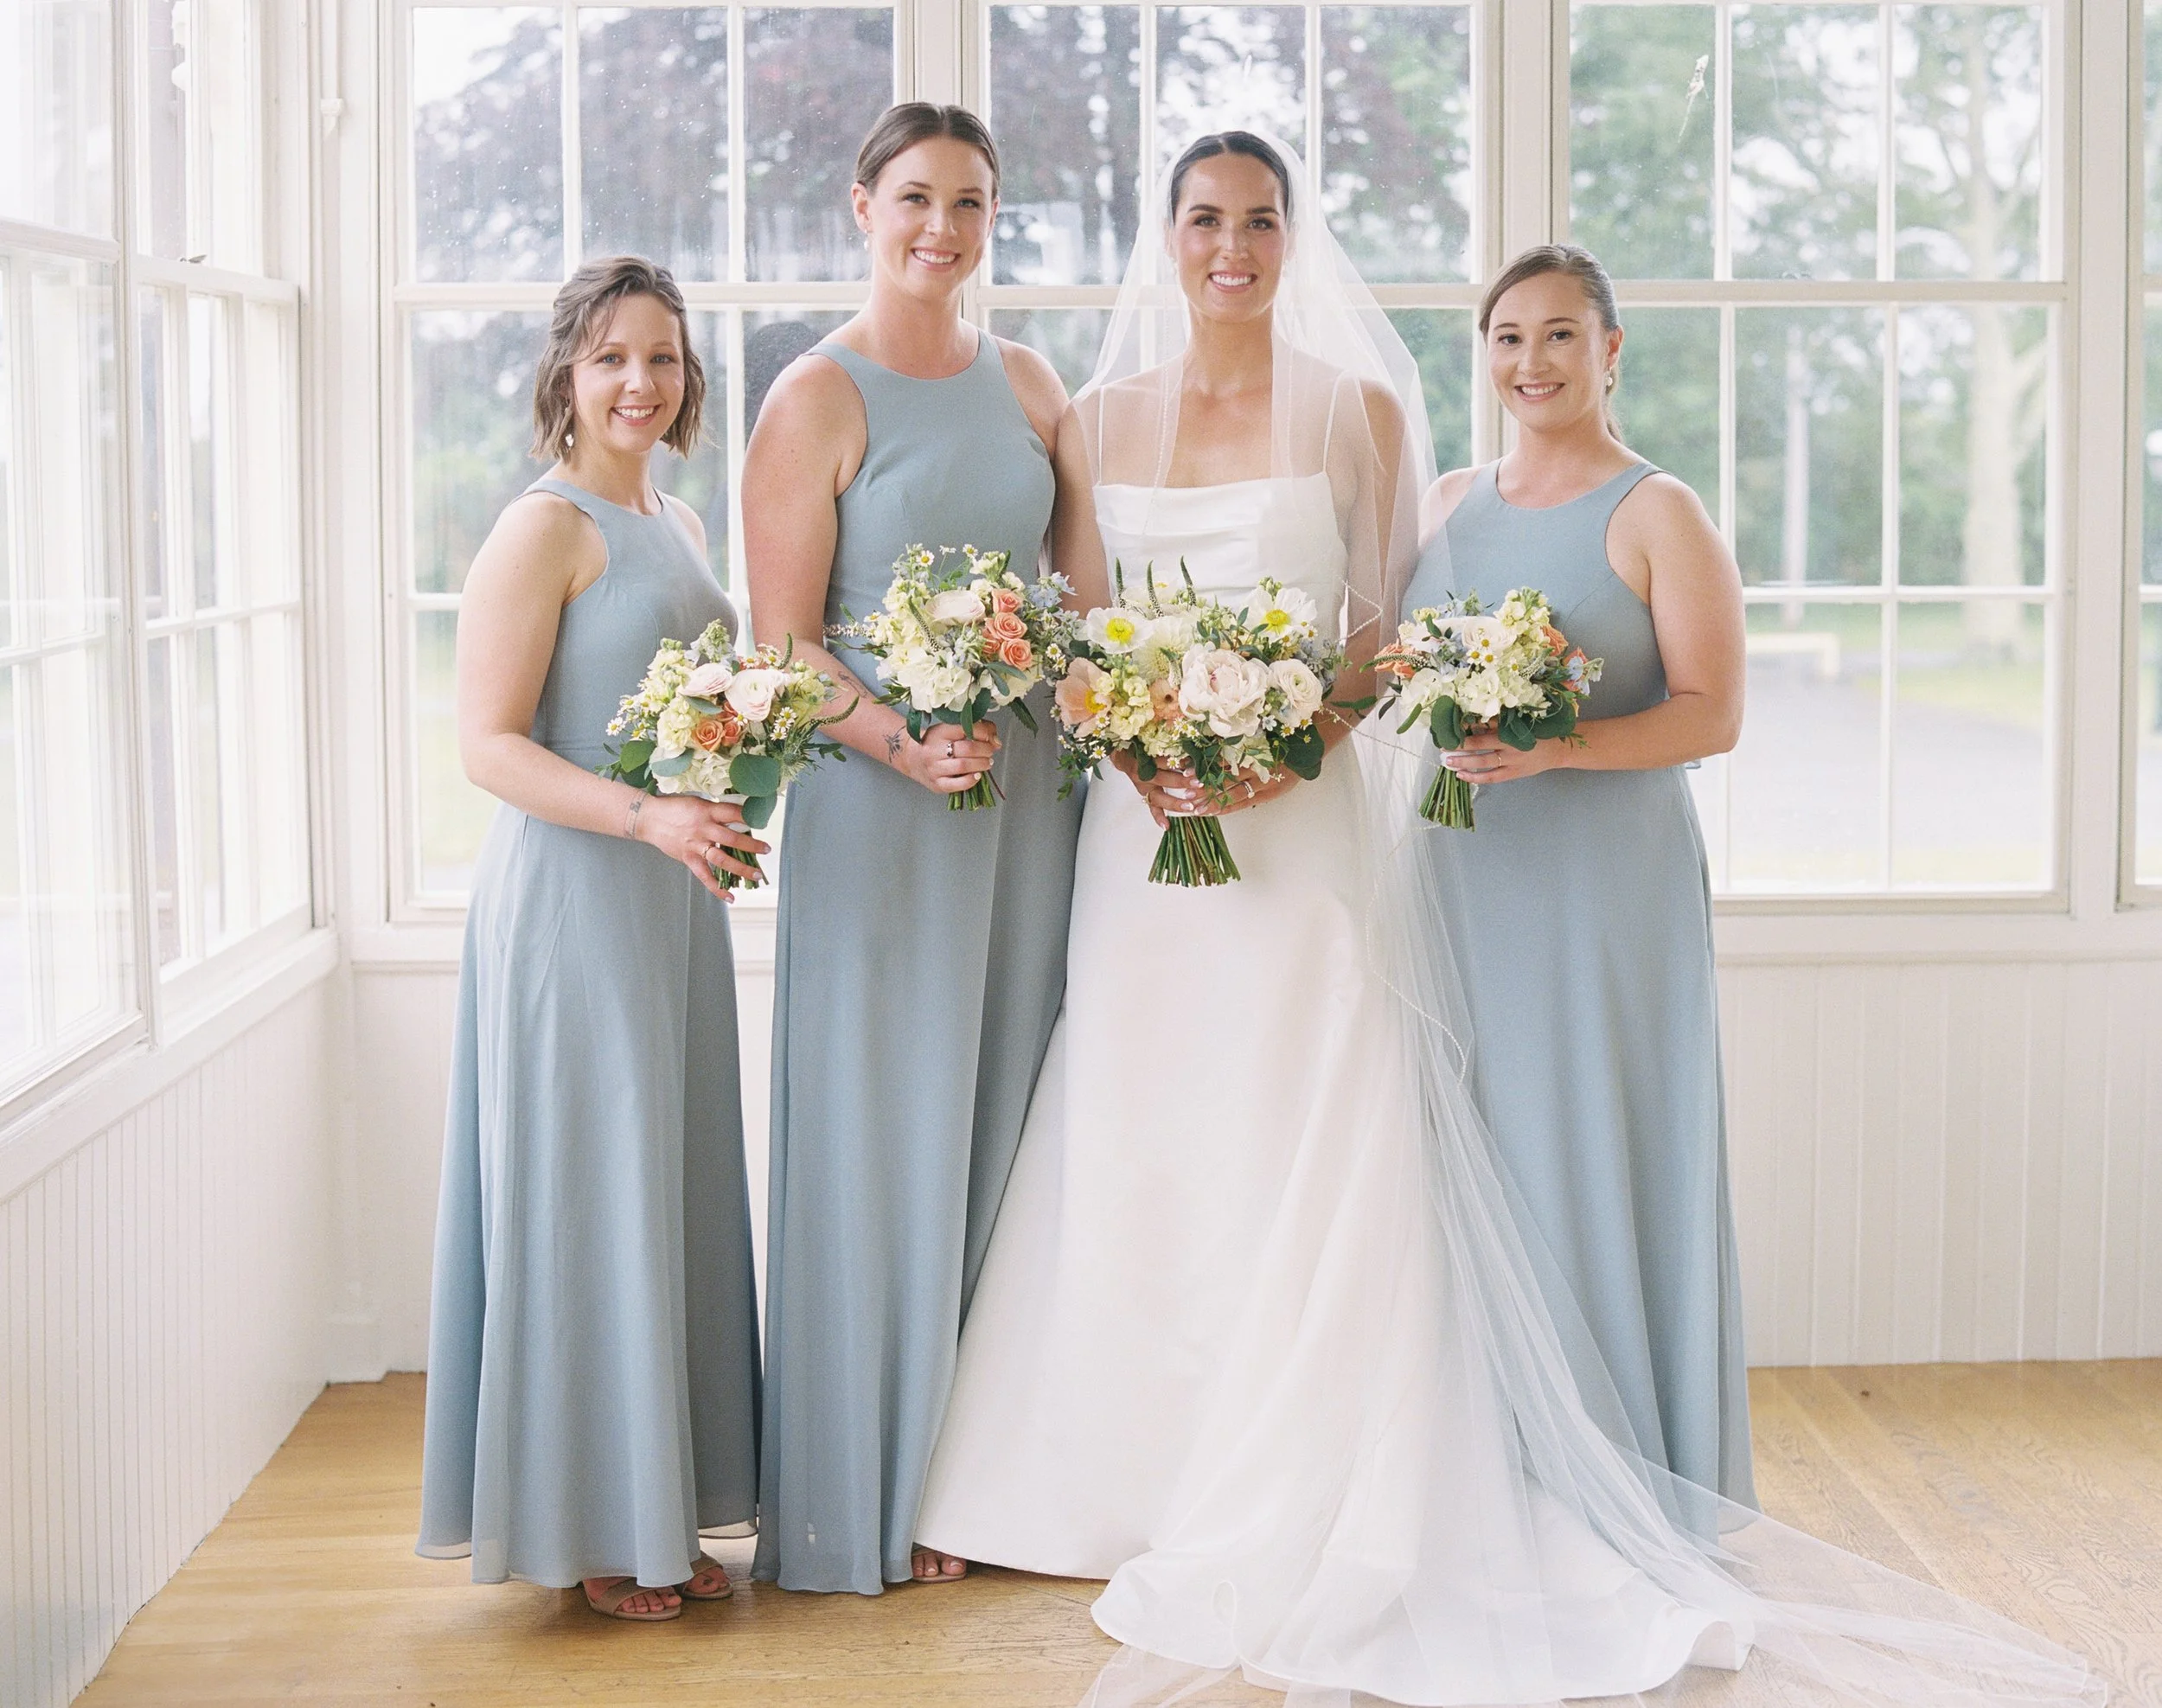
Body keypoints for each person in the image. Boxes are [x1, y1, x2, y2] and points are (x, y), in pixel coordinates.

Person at [915, 135, 2102, 1708]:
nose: (1231, 244)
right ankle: (1088, 1473)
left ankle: (1319, 1462)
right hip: (1143, 835)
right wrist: (1145, 750)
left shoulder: (1363, 415)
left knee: (1314, 1115)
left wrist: (1285, 750)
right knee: (1133, 1113)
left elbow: (1380, 638)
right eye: (1205, 219)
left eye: (1260, 219)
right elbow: (1077, 631)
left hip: (1301, 826)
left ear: (1293, 238)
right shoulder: (1096, 417)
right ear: (1169, 234)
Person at [742, 102, 1088, 1595]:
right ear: (862, 208)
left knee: (1010, 1113)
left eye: (969, 202)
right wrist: (903, 739)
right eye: (915, 199)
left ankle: (986, 1486)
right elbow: (784, 643)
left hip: (1028, 801)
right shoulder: (814, 397)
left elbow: (1079, 602)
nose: (942, 228)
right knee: (883, 1126)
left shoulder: (1031, 382)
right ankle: (862, 1488)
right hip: (884, 809)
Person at [417, 256, 764, 1622]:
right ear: (566, 370)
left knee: (660, 1188)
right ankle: (596, 1527)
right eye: (613, 356)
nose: (641, 381)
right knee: (588, 1197)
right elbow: (487, 746)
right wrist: (647, 815)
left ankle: (657, 1495)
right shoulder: (542, 529)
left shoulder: (676, 518)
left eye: (663, 357)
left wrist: (726, 789)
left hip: (667, 903)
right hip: (573, 901)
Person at [1404, 242, 1756, 1506]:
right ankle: (1495, 1470)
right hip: (1462, 872)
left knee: (1599, 1137)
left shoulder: (1659, 510)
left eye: (1560, 335)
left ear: (1610, 352)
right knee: (1479, 1142)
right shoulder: (1445, 503)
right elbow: (1387, 669)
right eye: (1508, 337)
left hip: (1606, 887)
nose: (1532, 361)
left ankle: (1630, 1469)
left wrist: (1558, 745)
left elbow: (1714, 714)